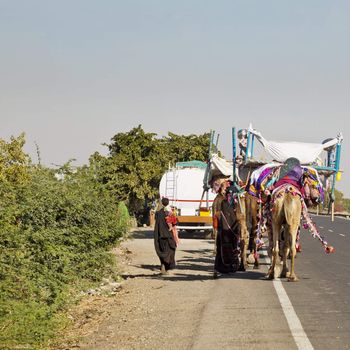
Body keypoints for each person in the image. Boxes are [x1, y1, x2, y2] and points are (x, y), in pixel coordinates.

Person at [213, 180, 240, 278]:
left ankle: (226, 267)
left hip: (227, 230)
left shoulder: (227, 202)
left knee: (226, 249)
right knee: (223, 249)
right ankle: (222, 268)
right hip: (224, 230)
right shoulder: (222, 201)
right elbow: (219, 215)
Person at [154, 197, 177, 274]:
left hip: (160, 235)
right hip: (168, 236)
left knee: (162, 250)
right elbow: (174, 222)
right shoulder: (169, 212)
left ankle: (162, 265)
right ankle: (166, 267)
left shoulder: (158, 213)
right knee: (170, 250)